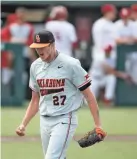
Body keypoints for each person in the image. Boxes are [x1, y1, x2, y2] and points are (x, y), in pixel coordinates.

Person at [16, 30, 105, 159]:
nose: (39, 51)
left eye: (42, 47)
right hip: (44, 120)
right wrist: (23, 124)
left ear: (52, 45)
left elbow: (89, 96)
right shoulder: (35, 66)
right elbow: (35, 100)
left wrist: (98, 125)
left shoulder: (71, 64)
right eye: (36, 47)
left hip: (64, 119)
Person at [89, 4, 117, 104]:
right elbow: (99, 43)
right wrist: (104, 58)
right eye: (113, 11)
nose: (114, 13)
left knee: (102, 76)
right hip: (103, 54)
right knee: (100, 76)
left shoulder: (111, 24)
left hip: (107, 54)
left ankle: (106, 98)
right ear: (107, 12)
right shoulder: (100, 24)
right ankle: (91, 99)